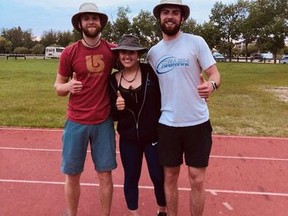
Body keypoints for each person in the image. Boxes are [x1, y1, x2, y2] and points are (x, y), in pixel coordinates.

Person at [147, 0, 221, 216]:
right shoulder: (153, 53)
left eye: (175, 13)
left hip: (197, 123)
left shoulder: (196, 42)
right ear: (159, 17)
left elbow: (215, 74)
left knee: (197, 178)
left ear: (182, 17)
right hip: (167, 124)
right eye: (166, 12)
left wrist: (212, 85)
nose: (170, 16)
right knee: (169, 177)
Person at [53, 3, 117, 216]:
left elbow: (131, 67)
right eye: (86, 18)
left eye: (95, 18)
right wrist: (68, 87)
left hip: (103, 121)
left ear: (101, 23)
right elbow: (58, 87)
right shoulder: (69, 53)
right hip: (76, 122)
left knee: (105, 174)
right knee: (72, 174)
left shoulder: (112, 51)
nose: (91, 21)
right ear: (79, 24)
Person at [109, 35, 167, 216]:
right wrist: (117, 108)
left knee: (158, 176)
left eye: (131, 52)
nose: (127, 56)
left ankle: (162, 211)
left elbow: (165, 96)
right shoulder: (112, 80)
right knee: (131, 177)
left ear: (138, 54)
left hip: (152, 137)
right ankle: (134, 212)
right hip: (128, 139)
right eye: (124, 52)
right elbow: (112, 114)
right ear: (119, 55)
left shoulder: (150, 72)